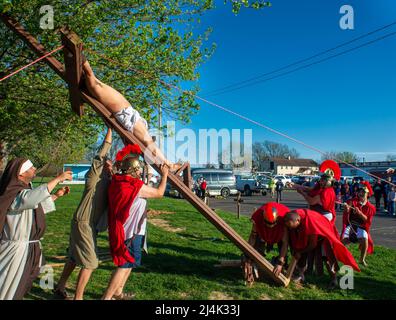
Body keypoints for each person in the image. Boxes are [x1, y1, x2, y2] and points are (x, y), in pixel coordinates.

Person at [82, 58, 181, 172]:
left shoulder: (94, 87)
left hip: (127, 114)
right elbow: (90, 75)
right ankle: (169, 164)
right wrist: (83, 60)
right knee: (148, 142)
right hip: (127, 116)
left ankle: (167, 163)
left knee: (148, 142)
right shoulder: (93, 85)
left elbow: (90, 77)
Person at [102, 144, 169, 300]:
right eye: (138, 169)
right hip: (129, 232)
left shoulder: (118, 182)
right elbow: (159, 193)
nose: (140, 172)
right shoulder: (134, 186)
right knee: (124, 265)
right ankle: (106, 297)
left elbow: (130, 202)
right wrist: (164, 175)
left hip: (126, 229)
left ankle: (118, 293)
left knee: (130, 263)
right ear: (132, 170)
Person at [54, 127, 113, 300]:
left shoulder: (108, 181)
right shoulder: (94, 178)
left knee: (73, 257)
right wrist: (110, 129)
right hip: (83, 222)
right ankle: (78, 298)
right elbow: (101, 155)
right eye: (107, 166)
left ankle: (60, 287)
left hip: (87, 223)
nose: (109, 168)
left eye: (111, 167)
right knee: (90, 263)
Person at [0, 158, 72, 300]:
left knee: (21, 284)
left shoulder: (24, 193)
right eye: (31, 167)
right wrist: (58, 179)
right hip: (16, 251)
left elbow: (36, 208)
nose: (34, 169)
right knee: (8, 287)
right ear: (20, 174)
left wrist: (56, 195)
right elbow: (29, 200)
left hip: (28, 248)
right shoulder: (14, 193)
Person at [280, 209, 360, 289]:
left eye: (292, 226)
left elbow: (312, 244)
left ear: (298, 220)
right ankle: (301, 274)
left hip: (323, 235)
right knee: (299, 248)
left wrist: (300, 251)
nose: (290, 228)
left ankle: (334, 279)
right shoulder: (293, 215)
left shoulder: (310, 223)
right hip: (311, 234)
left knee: (327, 257)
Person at [243, 202, 290, 284]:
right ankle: (256, 262)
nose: (270, 226)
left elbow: (285, 243)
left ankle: (282, 265)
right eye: (268, 223)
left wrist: (280, 263)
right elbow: (253, 236)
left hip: (279, 233)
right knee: (257, 247)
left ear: (277, 219)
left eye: (272, 223)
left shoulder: (284, 218)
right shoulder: (257, 217)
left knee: (282, 255)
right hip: (262, 233)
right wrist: (248, 255)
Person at [341, 181, 376, 266]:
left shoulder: (371, 207)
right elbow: (347, 212)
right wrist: (346, 208)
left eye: (363, 192)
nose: (361, 193)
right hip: (351, 225)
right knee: (342, 241)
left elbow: (367, 220)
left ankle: (362, 259)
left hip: (361, 227)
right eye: (360, 191)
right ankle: (342, 257)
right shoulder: (352, 201)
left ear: (367, 194)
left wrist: (360, 213)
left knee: (365, 239)